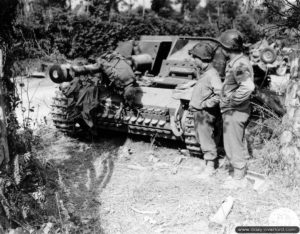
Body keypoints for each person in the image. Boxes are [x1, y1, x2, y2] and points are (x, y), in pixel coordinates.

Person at [218, 29, 255, 189]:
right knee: (235, 142)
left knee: (233, 143)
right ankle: (238, 171)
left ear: (228, 48)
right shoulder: (236, 62)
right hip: (234, 111)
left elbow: (247, 87)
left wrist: (232, 101)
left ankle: (239, 178)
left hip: (235, 111)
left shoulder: (239, 64)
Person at [188, 42, 223, 178]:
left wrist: (206, 104)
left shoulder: (211, 74)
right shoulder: (206, 73)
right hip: (200, 113)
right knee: (202, 138)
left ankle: (210, 168)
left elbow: (219, 94)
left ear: (200, 58)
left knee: (206, 139)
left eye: (194, 57)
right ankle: (207, 163)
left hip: (205, 114)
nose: (193, 60)